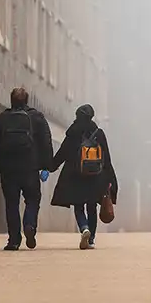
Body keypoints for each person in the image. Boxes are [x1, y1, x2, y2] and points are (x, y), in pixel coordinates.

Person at [0, 87, 54, 251]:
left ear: (11, 100)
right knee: (32, 200)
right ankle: (29, 225)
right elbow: (46, 142)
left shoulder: (1, 119)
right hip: (30, 169)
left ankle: (14, 240)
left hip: (8, 171)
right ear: (27, 100)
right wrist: (46, 166)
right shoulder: (37, 117)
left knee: (11, 204)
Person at [49, 104, 119, 250]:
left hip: (76, 176)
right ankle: (91, 238)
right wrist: (111, 179)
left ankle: (84, 227)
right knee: (92, 207)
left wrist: (50, 167)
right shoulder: (99, 133)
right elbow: (107, 158)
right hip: (96, 177)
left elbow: (63, 153)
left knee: (79, 206)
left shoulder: (73, 132)